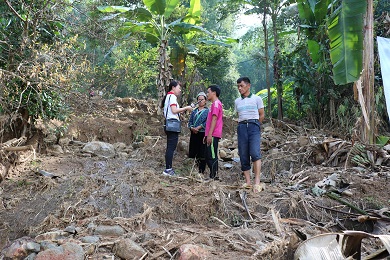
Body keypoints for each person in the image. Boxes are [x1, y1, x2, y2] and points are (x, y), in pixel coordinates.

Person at [235, 77, 265, 193]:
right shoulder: (237, 101)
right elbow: (239, 115)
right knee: (243, 153)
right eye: (238, 86)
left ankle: (257, 182)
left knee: (255, 152)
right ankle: (248, 182)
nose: (239, 88)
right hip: (242, 127)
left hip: (253, 126)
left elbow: (261, 115)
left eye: (241, 86)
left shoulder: (257, 99)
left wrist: (256, 125)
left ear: (248, 85)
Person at [162, 81, 193, 176]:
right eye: (178, 88)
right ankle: (168, 170)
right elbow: (174, 110)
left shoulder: (169, 96)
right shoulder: (172, 97)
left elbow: (174, 111)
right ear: (173, 88)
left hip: (169, 124)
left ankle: (168, 168)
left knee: (170, 147)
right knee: (171, 148)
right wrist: (186, 108)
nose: (180, 90)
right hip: (172, 125)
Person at [204, 85, 223, 180]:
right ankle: (213, 175)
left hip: (213, 134)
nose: (207, 94)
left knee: (212, 155)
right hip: (211, 134)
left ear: (214, 93)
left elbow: (214, 119)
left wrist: (210, 134)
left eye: (208, 92)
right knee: (210, 155)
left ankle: (213, 176)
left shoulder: (216, 104)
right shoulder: (214, 104)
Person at [188, 92, 209, 174]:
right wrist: (192, 128)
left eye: (202, 99)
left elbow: (208, 122)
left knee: (202, 152)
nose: (200, 101)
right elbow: (190, 122)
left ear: (205, 101)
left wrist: (199, 127)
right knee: (194, 151)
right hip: (194, 134)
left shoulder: (207, 111)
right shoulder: (194, 111)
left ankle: (201, 171)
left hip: (202, 134)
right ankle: (193, 170)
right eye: (199, 99)